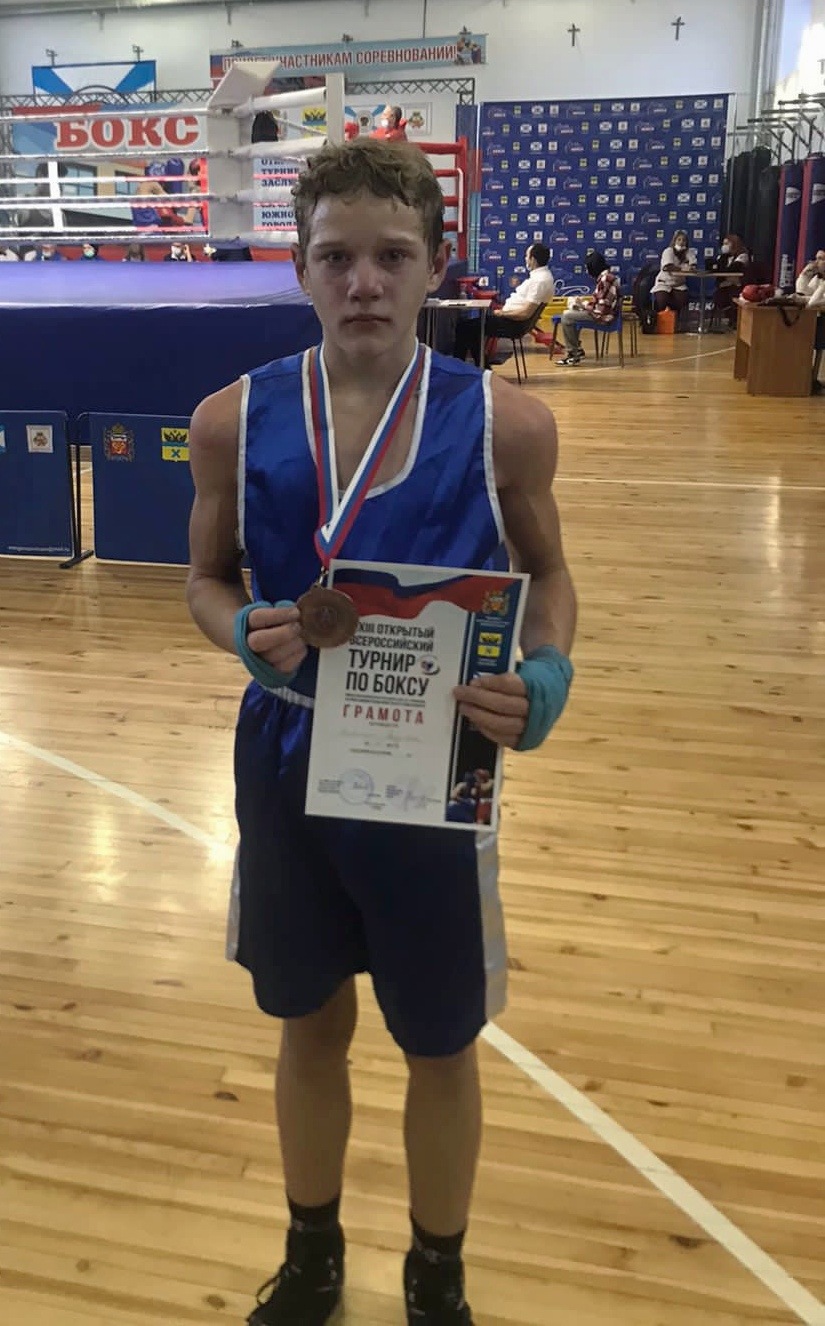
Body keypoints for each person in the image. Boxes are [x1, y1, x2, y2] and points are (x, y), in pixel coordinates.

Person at [186, 138, 576, 1326]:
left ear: (436, 266)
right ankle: (312, 1257)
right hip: (287, 753)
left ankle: (435, 1275)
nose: (364, 282)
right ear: (300, 268)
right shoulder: (228, 420)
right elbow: (205, 579)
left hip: (435, 764)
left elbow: (551, 576)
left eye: (392, 257)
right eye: (336, 257)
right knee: (307, 1022)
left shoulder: (507, 425)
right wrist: (239, 629)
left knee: (441, 1041)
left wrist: (546, 676)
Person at [453, 242, 555, 366]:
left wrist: (501, 313)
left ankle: (460, 367)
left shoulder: (540, 281)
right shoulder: (542, 277)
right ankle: (482, 366)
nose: (525, 259)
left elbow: (525, 313)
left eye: (527, 256)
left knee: (464, 328)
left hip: (513, 324)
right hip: (511, 320)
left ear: (532, 259)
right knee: (472, 328)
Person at [557, 251, 620, 366]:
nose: (587, 271)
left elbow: (600, 310)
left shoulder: (605, 279)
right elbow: (600, 303)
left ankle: (573, 354)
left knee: (567, 316)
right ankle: (577, 350)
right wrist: (582, 305)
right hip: (603, 313)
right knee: (573, 311)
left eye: (587, 268)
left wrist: (583, 304)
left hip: (604, 317)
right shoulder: (606, 277)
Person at [651, 229, 696, 320]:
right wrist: (683, 269)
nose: (681, 242)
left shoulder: (689, 252)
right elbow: (667, 267)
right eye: (679, 240)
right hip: (664, 283)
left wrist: (691, 267)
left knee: (682, 300)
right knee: (662, 300)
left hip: (679, 285)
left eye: (684, 240)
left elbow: (693, 266)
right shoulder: (668, 251)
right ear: (674, 241)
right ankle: (659, 322)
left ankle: (676, 322)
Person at [711, 233, 750, 327]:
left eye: (727, 243)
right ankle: (729, 319)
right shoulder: (722, 257)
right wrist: (723, 258)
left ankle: (735, 321)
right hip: (724, 285)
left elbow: (733, 269)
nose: (724, 246)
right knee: (718, 296)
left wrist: (724, 273)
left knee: (732, 295)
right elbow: (718, 272)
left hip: (738, 285)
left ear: (734, 243)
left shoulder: (743, 256)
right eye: (723, 244)